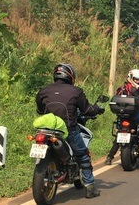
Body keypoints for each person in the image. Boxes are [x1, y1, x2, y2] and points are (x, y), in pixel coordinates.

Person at [36, 62, 104, 198]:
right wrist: (97, 109)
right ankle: (90, 187)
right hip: (68, 130)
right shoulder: (76, 91)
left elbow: (40, 110)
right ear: (71, 76)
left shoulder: (43, 90)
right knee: (83, 155)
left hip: (46, 130)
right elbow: (87, 109)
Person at [104, 69, 139, 165]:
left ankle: (109, 157)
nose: (138, 82)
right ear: (131, 78)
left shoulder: (121, 89)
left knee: (119, 136)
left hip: (122, 116)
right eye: (136, 79)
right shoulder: (138, 90)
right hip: (135, 115)